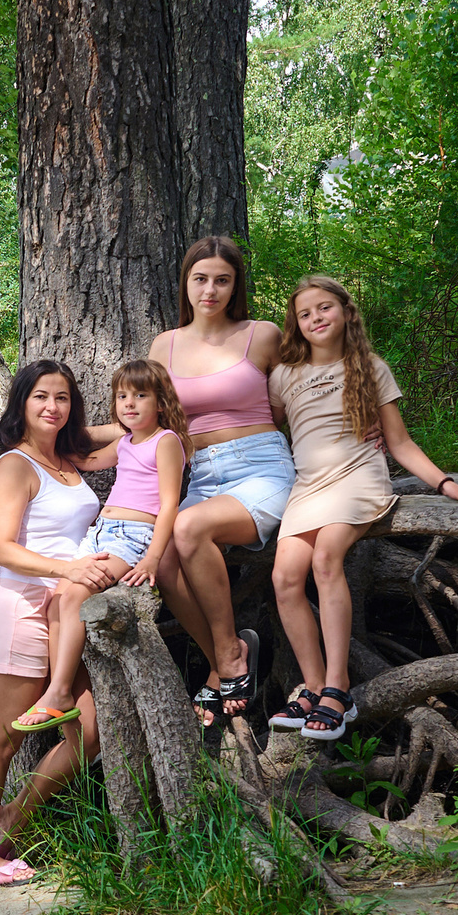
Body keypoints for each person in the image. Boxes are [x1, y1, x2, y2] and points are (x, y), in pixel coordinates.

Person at [265, 275, 458, 738]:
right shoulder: (283, 375)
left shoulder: (369, 367)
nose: (315, 318)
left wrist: (444, 482)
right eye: (305, 314)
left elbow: (400, 442)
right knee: (284, 577)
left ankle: (338, 689)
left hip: (357, 477)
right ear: (295, 325)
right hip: (308, 487)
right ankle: (311, 685)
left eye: (324, 307)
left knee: (326, 559)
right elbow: (259, 425)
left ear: (346, 312)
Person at [0, 360, 110, 885]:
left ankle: (15, 816)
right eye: (41, 396)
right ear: (20, 403)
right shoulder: (13, 466)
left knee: (91, 730)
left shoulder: (68, 458)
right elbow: (3, 549)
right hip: (23, 609)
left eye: (63, 397)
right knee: (2, 741)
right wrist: (67, 568)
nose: (52, 406)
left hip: (67, 611)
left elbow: (132, 431)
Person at [149, 237, 294, 741]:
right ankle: (223, 658)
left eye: (222, 280)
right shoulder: (164, 346)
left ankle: (229, 657)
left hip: (260, 467)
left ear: (236, 287)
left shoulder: (262, 335)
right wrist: (74, 441)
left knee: (188, 527)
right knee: (161, 558)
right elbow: (148, 419)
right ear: (185, 283)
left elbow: (295, 402)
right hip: (202, 473)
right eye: (200, 279)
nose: (210, 290)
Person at [16, 359, 189, 733]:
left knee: (77, 593)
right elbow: (86, 459)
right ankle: (59, 690)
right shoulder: (125, 442)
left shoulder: (165, 441)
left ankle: (59, 692)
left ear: (161, 402)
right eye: (122, 397)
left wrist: (153, 558)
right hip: (101, 533)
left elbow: (169, 505)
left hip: (134, 536)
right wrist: (43, 438)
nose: (129, 404)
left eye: (140, 396)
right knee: (58, 601)